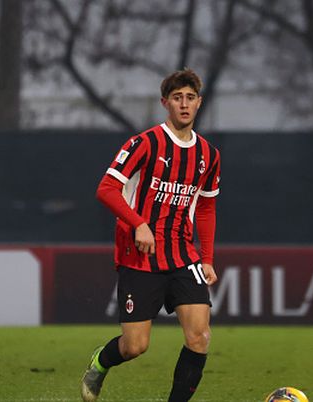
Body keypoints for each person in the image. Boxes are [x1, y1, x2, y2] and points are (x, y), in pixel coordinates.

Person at [81, 68, 221, 402]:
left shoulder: (208, 155)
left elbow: (205, 208)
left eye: (190, 98)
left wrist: (207, 259)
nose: (184, 105)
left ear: (199, 103)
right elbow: (107, 189)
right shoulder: (144, 143)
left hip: (183, 255)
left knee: (200, 336)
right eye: (177, 98)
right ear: (165, 103)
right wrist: (138, 223)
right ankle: (101, 361)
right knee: (135, 346)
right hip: (140, 257)